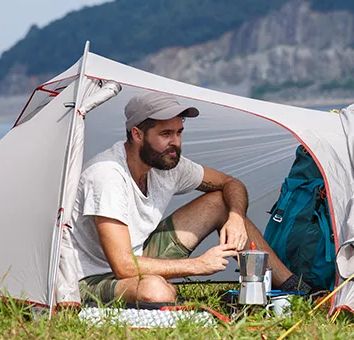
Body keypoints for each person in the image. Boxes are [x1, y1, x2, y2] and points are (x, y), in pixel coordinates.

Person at [71, 91, 310, 304]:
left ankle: (297, 289)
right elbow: (123, 267)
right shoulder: (107, 175)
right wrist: (198, 265)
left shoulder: (168, 164)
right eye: (166, 134)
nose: (175, 143)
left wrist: (236, 217)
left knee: (220, 202)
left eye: (179, 132)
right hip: (95, 278)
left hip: (140, 256)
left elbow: (231, 183)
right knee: (154, 291)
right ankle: (179, 298)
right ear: (137, 135)